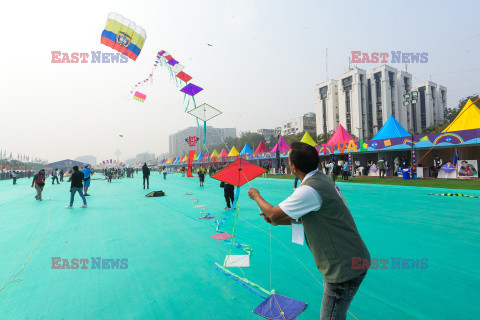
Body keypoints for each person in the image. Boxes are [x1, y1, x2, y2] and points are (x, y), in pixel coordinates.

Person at [248, 142, 370, 319]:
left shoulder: (309, 189)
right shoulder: (322, 180)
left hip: (343, 268)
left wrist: (256, 196)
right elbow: (308, 217)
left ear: (293, 166)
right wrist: (278, 222)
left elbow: (273, 213)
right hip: (353, 258)